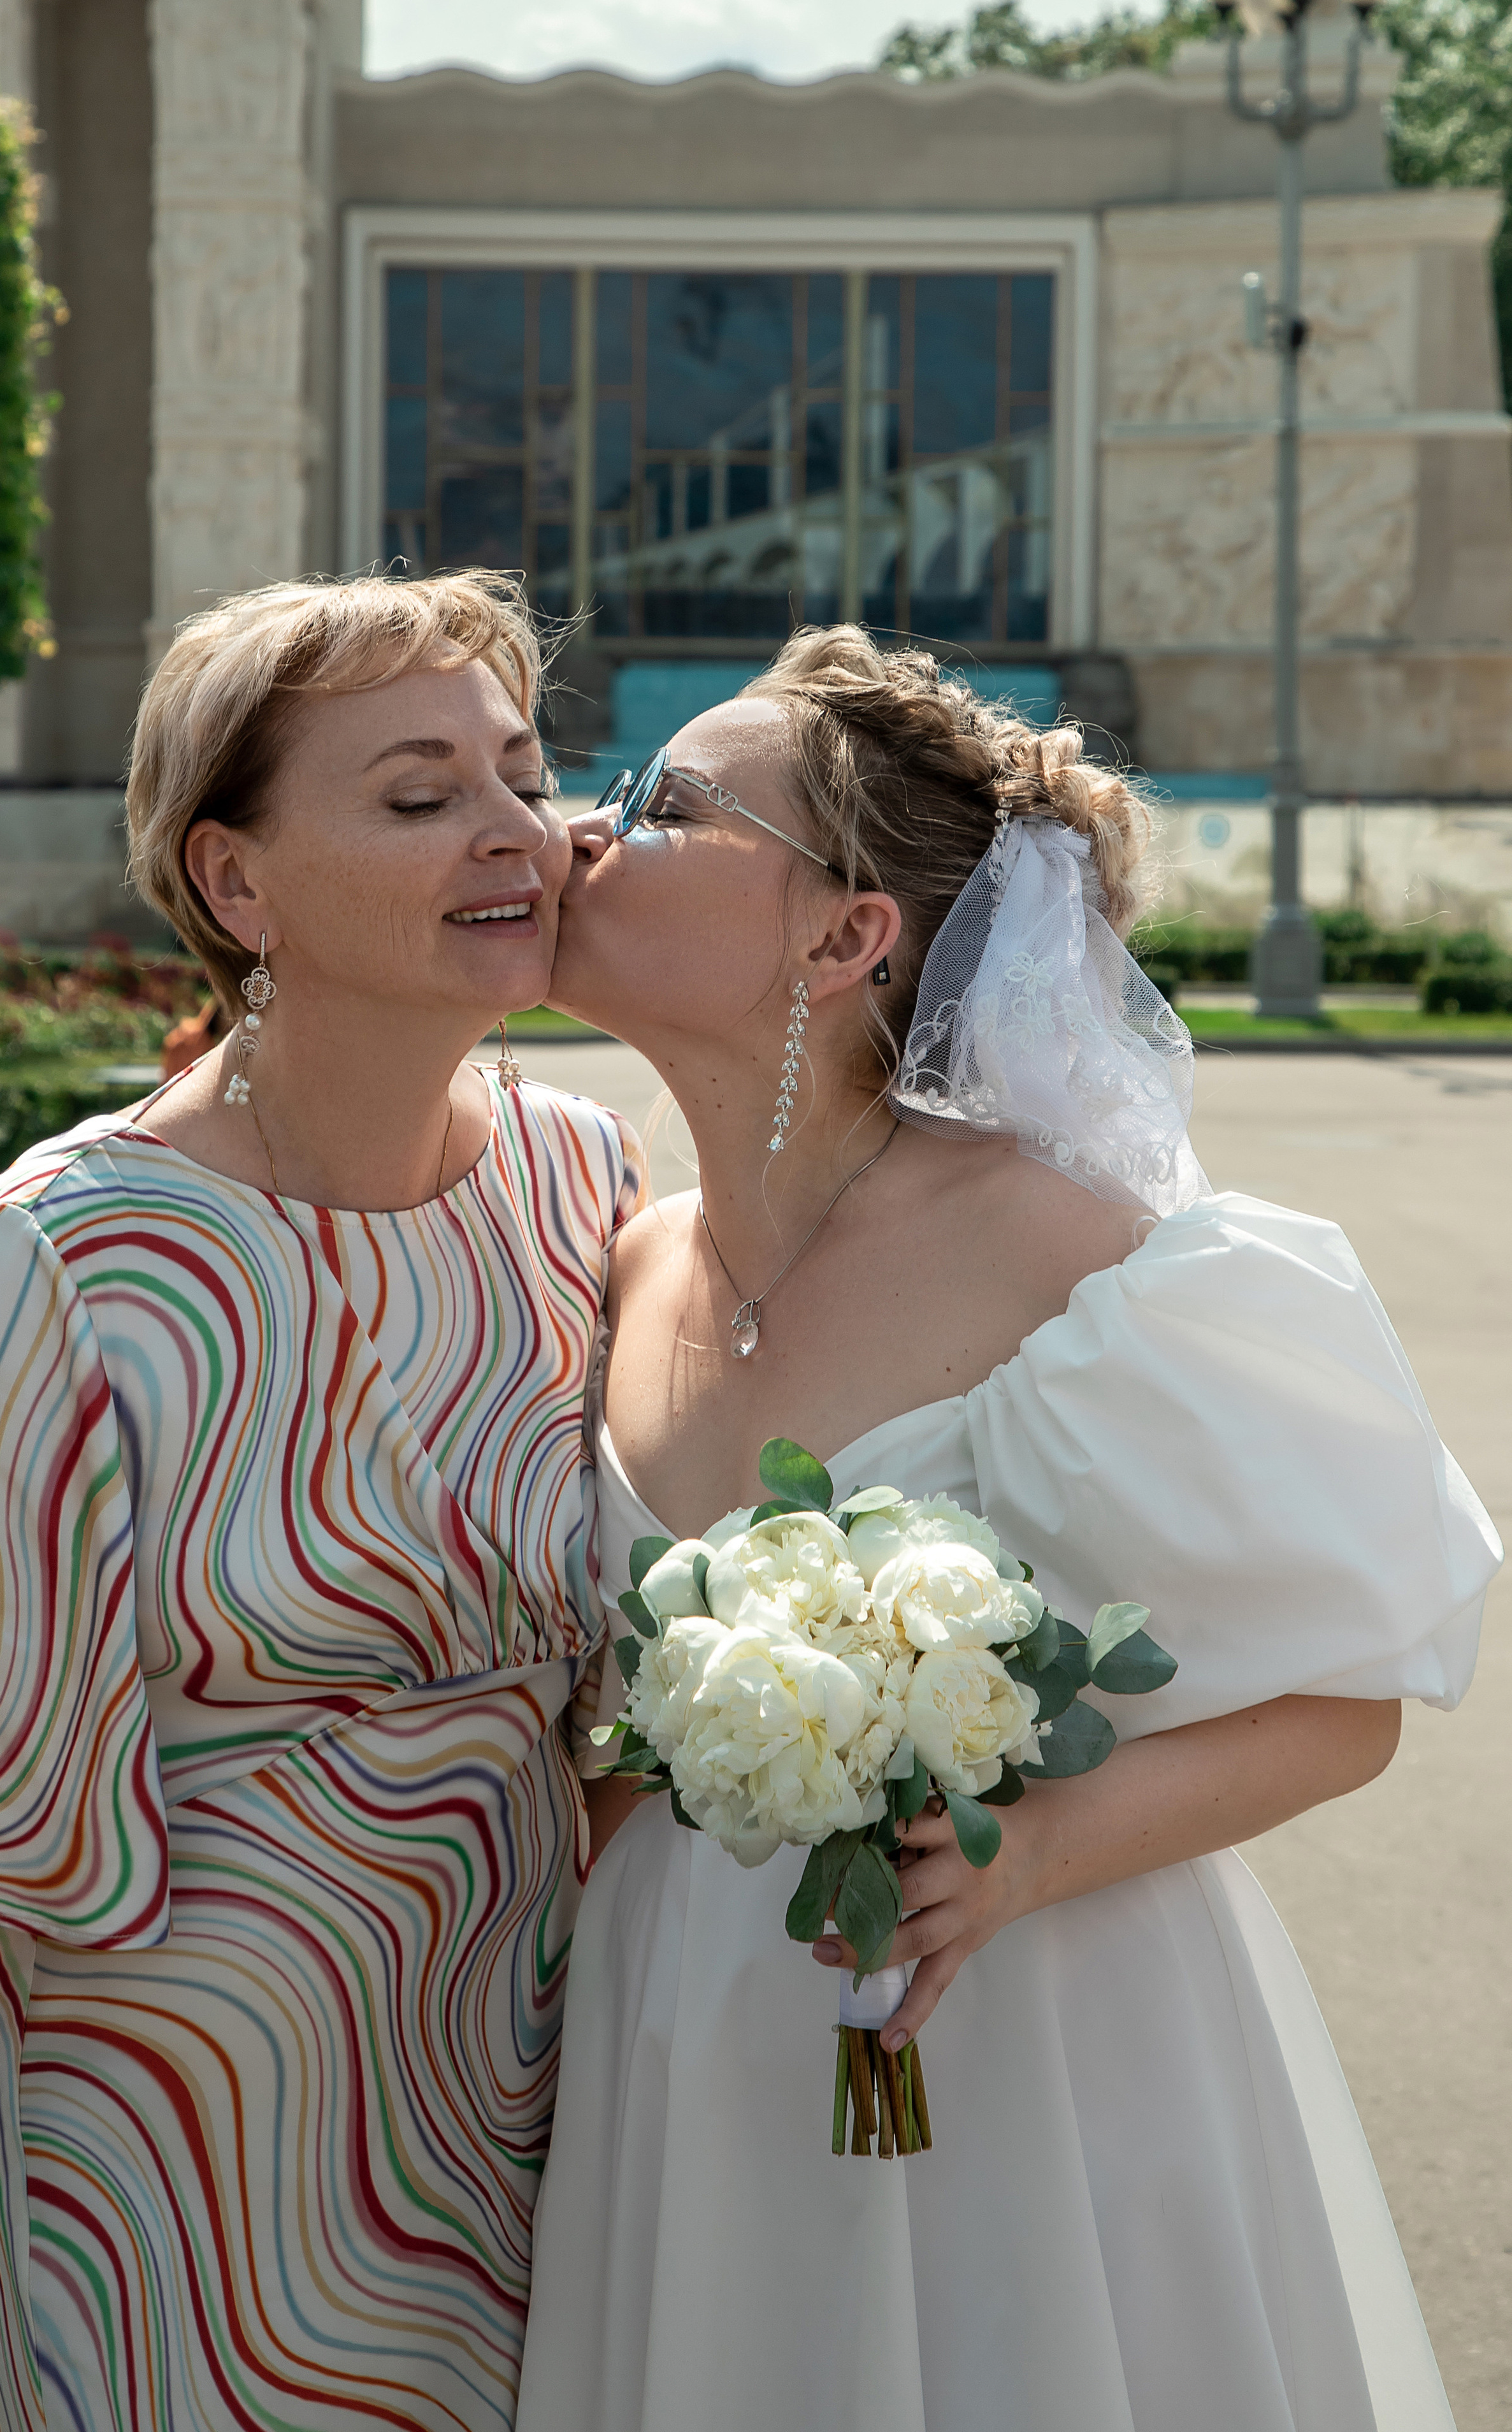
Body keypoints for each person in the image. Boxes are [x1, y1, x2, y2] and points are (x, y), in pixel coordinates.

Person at [514, 626, 1501, 2432]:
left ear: (844, 934)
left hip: (1038, 2056)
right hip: (687, 2060)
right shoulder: (617, 1259)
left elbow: (1350, 1700)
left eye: (666, 802)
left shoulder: (1076, 1247)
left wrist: (1037, 1852)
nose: (589, 829)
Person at [0, 570, 640, 2432]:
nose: (511, 834)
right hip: (189, 2145)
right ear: (234, 883)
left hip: (558, 2077)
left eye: (520, 776)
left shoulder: (580, 1177)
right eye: (416, 795)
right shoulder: (60, 1257)